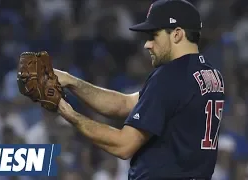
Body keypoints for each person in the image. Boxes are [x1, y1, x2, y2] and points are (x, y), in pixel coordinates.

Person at [55, 0, 225, 179]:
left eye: (154, 35)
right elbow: (125, 104)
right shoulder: (210, 73)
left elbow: (123, 145)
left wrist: (69, 114)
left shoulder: (170, 76)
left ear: (177, 34)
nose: (147, 44)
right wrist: (72, 82)